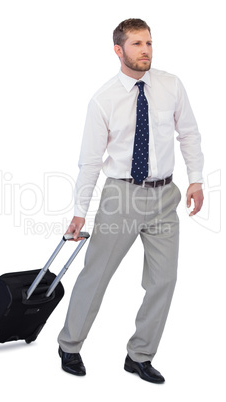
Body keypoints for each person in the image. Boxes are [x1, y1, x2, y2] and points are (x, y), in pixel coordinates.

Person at [57, 18, 204, 384]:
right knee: (97, 274)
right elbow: (90, 162)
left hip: (165, 196)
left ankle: (139, 355)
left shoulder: (171, 85)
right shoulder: (103, 100)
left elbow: (189, 134)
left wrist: (196, 179)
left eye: (149, 43)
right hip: (120, 196)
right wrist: (79, 212)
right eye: (137, 44)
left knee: (163, 280)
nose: (146, 51)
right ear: (118, 50)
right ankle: (70, 345)